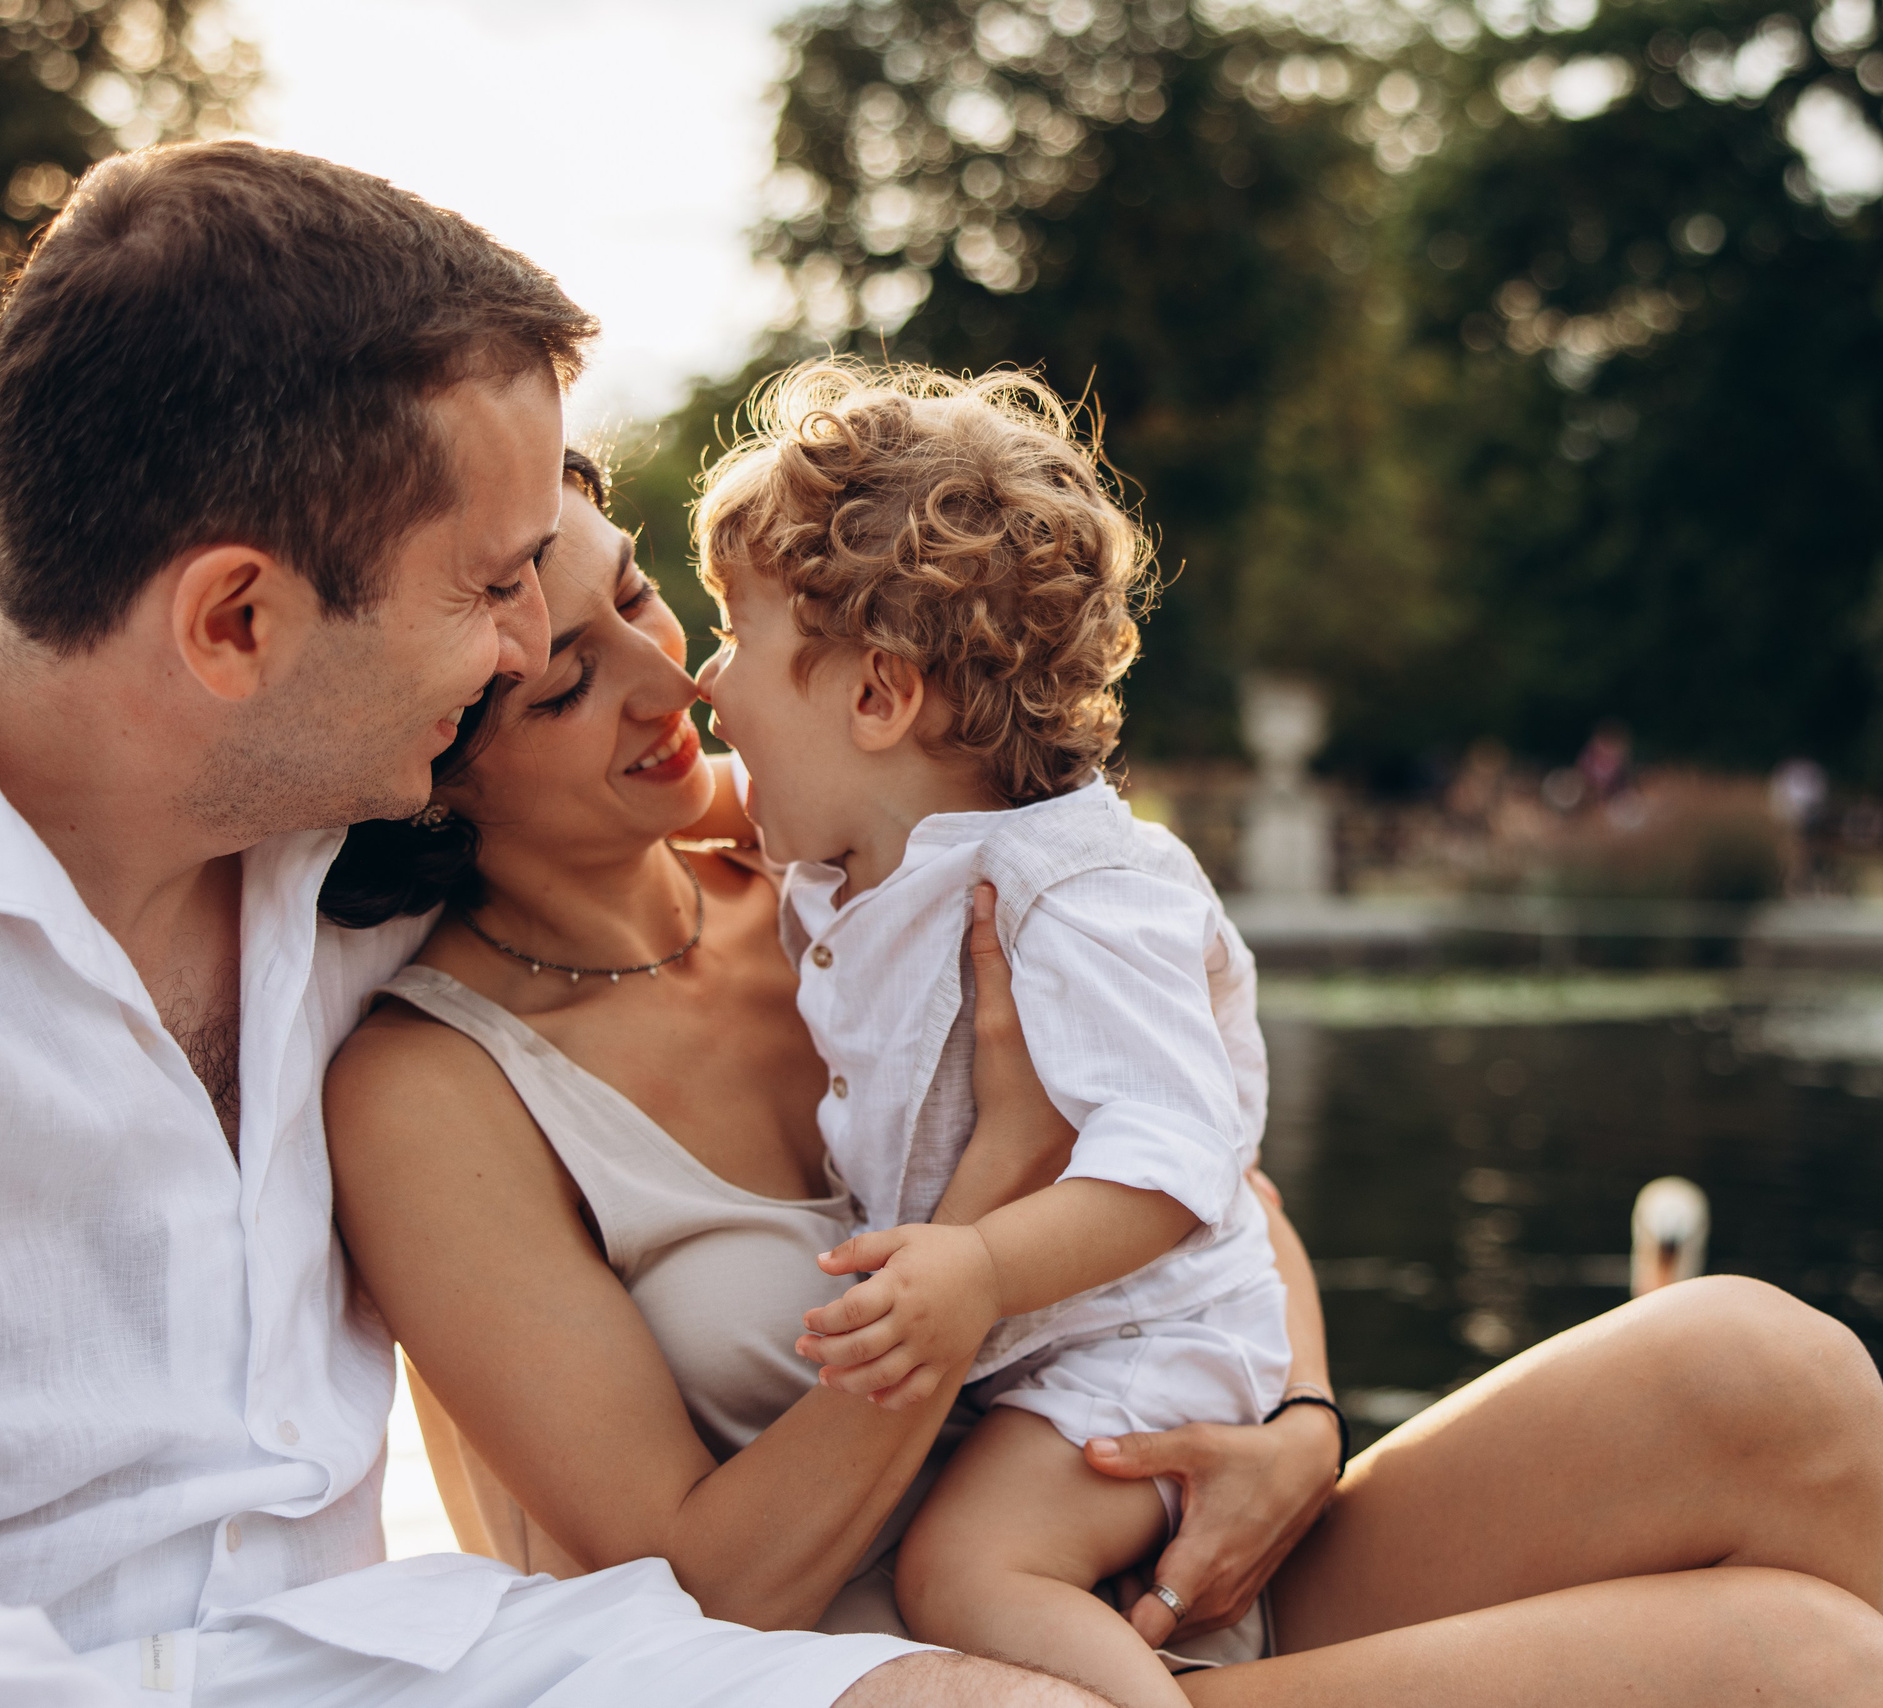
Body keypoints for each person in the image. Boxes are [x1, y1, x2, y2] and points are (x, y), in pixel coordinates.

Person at [322, 435, 1883, 1703]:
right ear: (425, 775)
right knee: (1820, 1676)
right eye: (561, 680)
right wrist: (986, 1192)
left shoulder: (856, 845)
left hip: (1169, 1550)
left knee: (1777, 1376)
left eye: (643, 595)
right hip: (937, 1670)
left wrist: (1298, 1425)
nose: (671, 677)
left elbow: (1209, 1170)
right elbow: (702, 1589)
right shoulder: (434, 1090)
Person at [0, 140, 1095, 1708]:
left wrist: (1293, 1414)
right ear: (237, 622)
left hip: (395, 1660)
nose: (524, 646)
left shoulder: (363, 866)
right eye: (497, 591)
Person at [686, 361, 1291, 1705]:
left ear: (879, 699)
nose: (705, 684)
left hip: (1141, 1340)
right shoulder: (857, 832)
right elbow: (693, 799)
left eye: (730, 637)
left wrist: (978, 1268)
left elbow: (1177, 1159)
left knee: (963, 1572)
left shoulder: (1078, 894)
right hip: (1041, 1352)